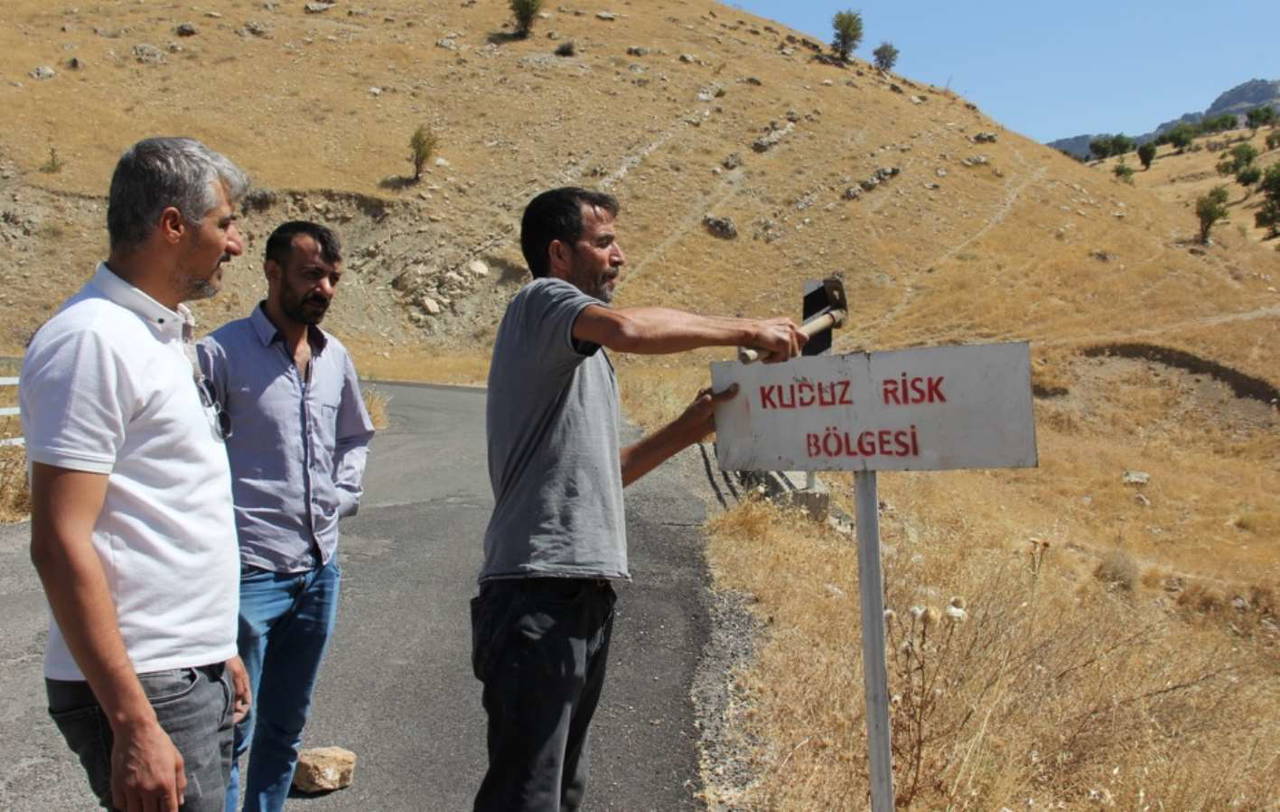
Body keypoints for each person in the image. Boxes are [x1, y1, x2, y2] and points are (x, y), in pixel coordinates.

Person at [471, 186, 806, 811]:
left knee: (560, 791)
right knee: (527, 796)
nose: (620, 256)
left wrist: (688, 428)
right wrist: (746, 328)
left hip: (578, 593)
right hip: (537, 592)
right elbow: (628, 327)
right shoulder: (543, 301)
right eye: (604, 243)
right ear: (559, 254)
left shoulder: (581, 358)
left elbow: (607, 473)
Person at [21, 136, 252, 812]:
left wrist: (214, 644)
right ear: (173, 225)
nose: (236, 244)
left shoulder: (157, 335)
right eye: (225, 223)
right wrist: (133, 721)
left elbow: (165, 507)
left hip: (185, 669)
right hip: (148, 685)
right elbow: (59, 542)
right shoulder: (93, 340)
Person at [198, 220, 375, 812]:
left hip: (319, 571)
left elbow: (354, 435)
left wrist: (341, 495)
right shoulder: (220, 354)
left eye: (333, 278)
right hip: (248, 572)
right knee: (231, 729)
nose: (324, 288)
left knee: (286, 726)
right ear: (272, 272)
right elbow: (189, 452)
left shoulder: (334, 356)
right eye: (311, 275)